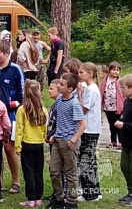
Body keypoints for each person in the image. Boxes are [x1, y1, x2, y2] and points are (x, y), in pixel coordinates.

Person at [0, 39, 25, 195]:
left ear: (6, 53)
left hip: (10, 114)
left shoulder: (15, 69)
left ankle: (16, 181)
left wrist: (12, 105)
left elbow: (22, 94)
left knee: (9, 148)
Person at [46, 73, 86, 209]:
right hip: (58, 140)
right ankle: (58, 198)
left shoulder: (74, 103)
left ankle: (71, 202)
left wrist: (73, 140)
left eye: (61, 84)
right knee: (54, 171)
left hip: (69, 143)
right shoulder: (59, 100)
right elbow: (58, 119)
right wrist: (54, 134)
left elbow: (83, 125)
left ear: (70, 89)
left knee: (70, 173)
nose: (58, 85)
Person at [15, 79, 47, 208]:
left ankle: (31, 199)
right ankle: (39, 198)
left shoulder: (22, 110)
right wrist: (44, 138)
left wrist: (17, 146)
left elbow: (19, 129)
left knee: (28, 172)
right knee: (38, 172)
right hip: (39, 143)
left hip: (26, 143)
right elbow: (45, 127)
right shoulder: (43, 109)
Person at [77, 62, 102, 202]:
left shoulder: (91, 89)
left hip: (89, 129)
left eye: (81, 72)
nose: (79, 75)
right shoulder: (91, 88)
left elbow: (83, 109)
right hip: (91, 128)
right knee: (90, 160)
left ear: (90, 74)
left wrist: (80, 94)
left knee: (86, 160)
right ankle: (95, 190)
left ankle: (89, 194)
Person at [114, 74, 132, 206]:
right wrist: (120, 120)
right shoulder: (127, 102)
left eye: (123, 88)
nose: (121, 90)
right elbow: (125, 117)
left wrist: (124, 125)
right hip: (126, 141)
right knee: (124, 166)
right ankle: (130, 192)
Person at [100, 61, 124, 149]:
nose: (116, 72)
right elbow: (102, 92)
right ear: (109, 70)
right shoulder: (105, 81)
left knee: (118, 125)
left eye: (117, 70)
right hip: (107, 107)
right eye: (114, 70)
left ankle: (121, 141)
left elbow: (123, 93)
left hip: (117, 107)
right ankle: (113, 141)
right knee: (111, 124)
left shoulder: (120, 81)